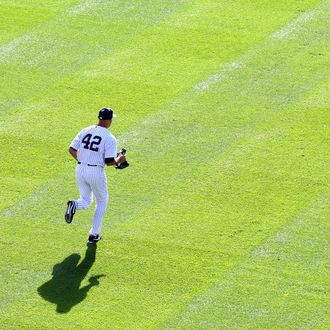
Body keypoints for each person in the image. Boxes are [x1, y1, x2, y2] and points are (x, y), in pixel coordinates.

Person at [65, 107, 126, 244]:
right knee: (102, 202)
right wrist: (119, 159)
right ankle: (94, 234)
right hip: (96, 172)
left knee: (85, 201)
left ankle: (74, 204)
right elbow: (109, 161)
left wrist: (84, 161)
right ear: (109, 120)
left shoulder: (85, 130)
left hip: (80, 169)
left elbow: (71, 149)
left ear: (99, 118)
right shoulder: (110, 138)